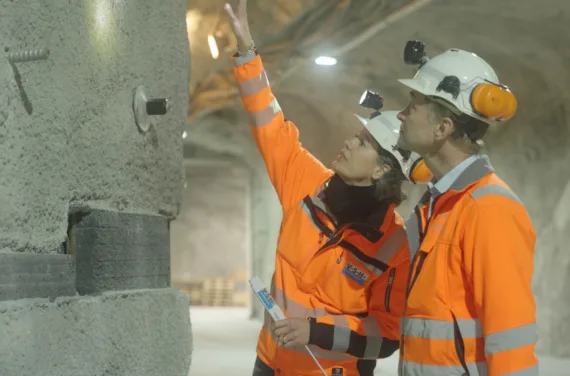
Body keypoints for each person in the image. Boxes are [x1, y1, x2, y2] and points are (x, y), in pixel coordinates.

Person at [224, 2, 432, 375]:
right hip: (270, 364)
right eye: (356, 136)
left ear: (384, 169)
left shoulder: (394, 246)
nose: (349, 144)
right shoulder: (307, 182)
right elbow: (269, 124)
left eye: (363, 143)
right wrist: (247, 52)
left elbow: (385, 338)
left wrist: (316, 333)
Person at [395, 41, 538, 376]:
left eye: (413, 105)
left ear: (443, 128)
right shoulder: (440, 205)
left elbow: (511, 338)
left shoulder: (489, 209)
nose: (401, 114)